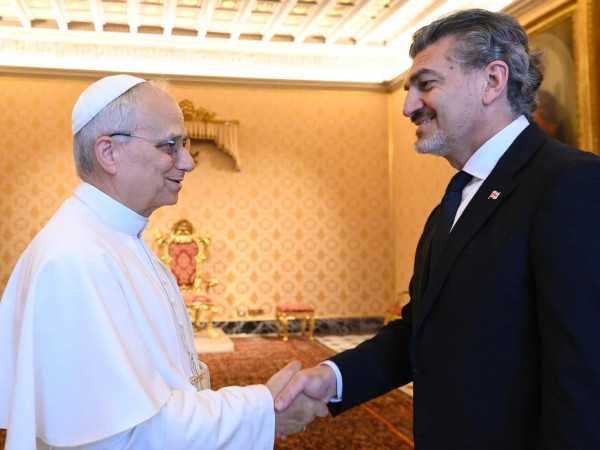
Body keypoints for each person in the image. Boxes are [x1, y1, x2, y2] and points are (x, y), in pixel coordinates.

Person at [275, 8, 600, 449]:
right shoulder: (455, 199)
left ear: (492, 81)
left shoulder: (571, 184)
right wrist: (332, 378)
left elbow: (585, 376)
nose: (408, 106)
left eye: (426, 85)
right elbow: (421, 330)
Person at [0, 74, 327, 449]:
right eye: (170, 146)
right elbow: (124, 435)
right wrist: (263, 409)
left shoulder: (119, 239)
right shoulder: (74, 260)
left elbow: (162, 391)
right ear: (108, 153)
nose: (187, 162)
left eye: (184, 144)